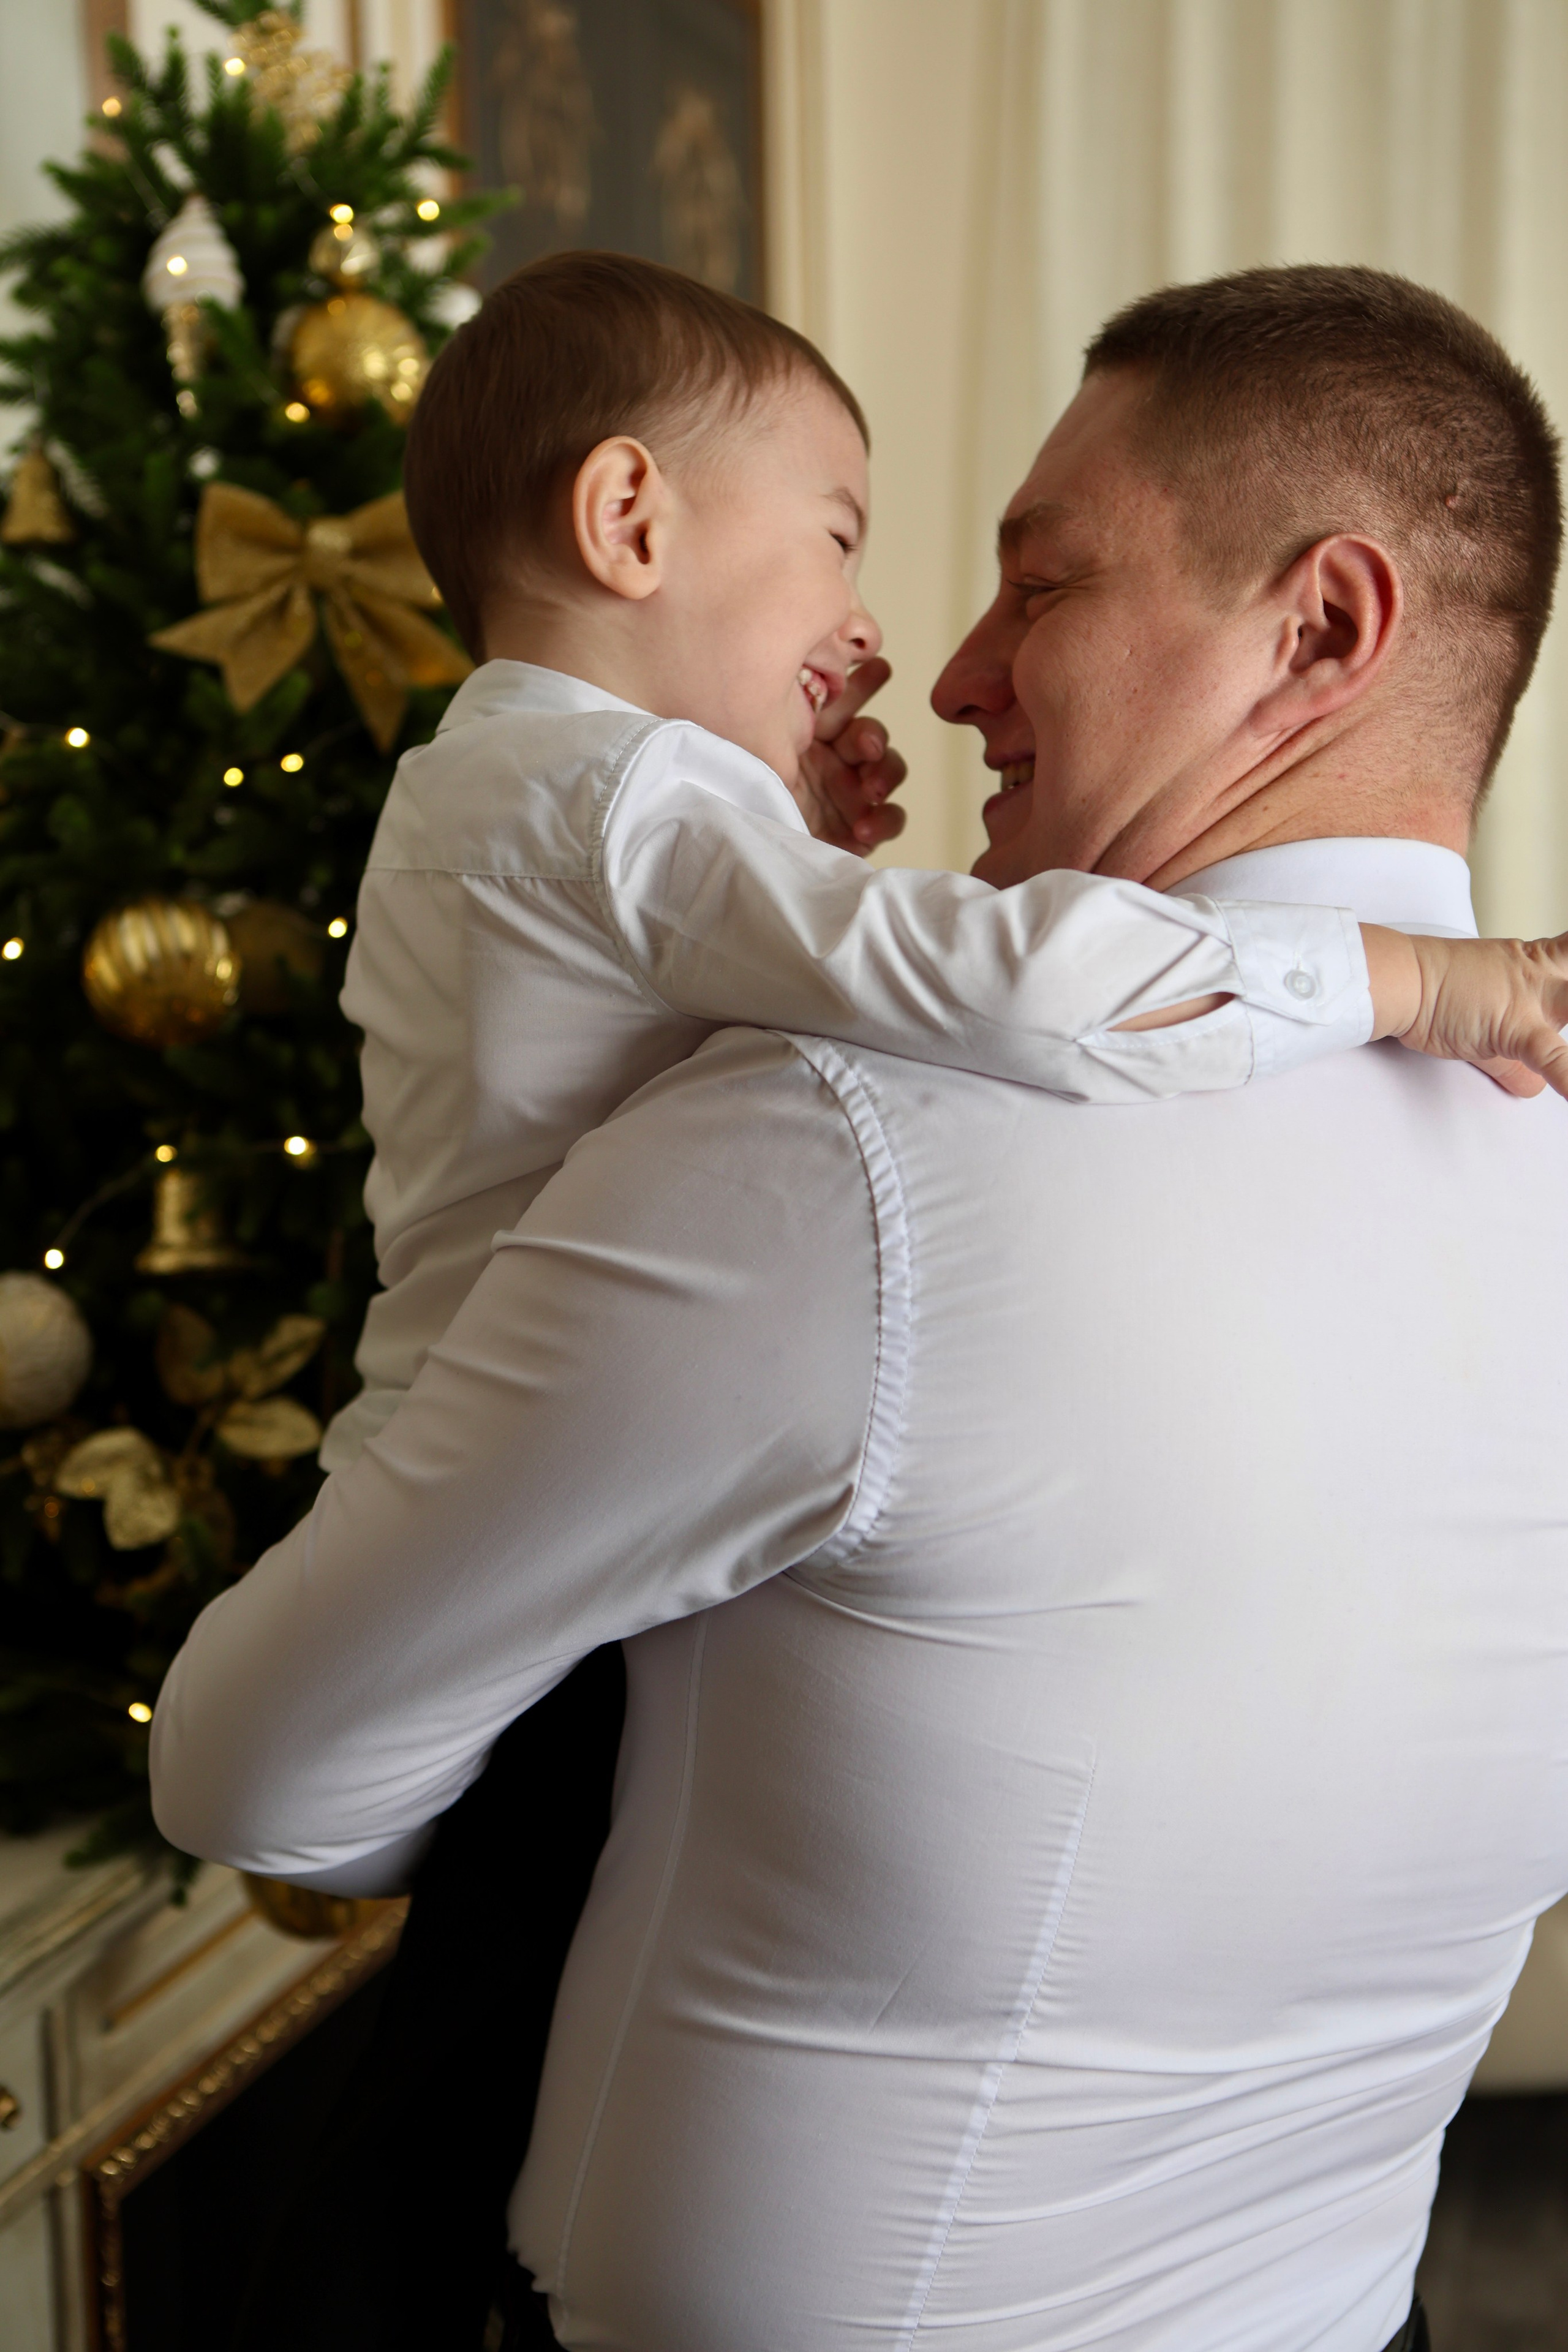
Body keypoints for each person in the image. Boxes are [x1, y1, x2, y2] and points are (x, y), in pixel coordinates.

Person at [156, 260, 1568, 2350]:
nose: (950, 671)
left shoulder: (838, 1156)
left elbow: (255, 1777)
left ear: (1321, 628)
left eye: (1044, 586)